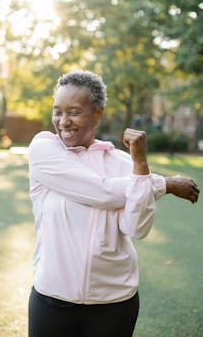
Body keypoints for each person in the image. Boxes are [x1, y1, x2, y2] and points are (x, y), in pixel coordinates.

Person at [28, 70, 200, 337]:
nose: (63, 121)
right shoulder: (43, 150)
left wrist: (140, 165)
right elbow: (102, 191)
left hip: (114, 301)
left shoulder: (123, 164)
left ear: (98, 113)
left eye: (73, 111)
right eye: (57, 111)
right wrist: (164, 183)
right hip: (52, 297)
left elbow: (136, 228)